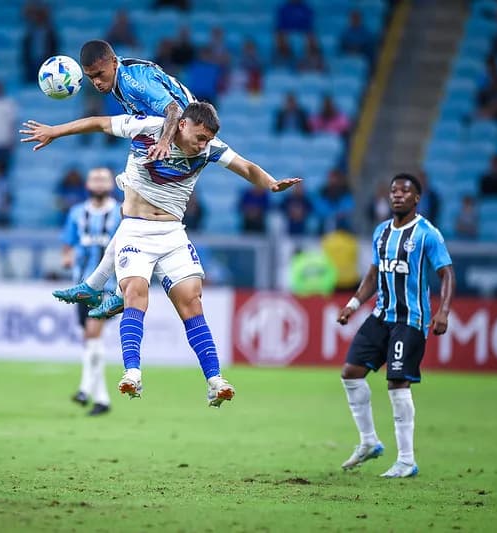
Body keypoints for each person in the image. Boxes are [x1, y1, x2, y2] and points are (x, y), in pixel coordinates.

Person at [20, 102, 300, 406]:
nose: (203, 144)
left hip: (172, 233)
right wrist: (54, 131)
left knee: (192, 301)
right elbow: (100, 123)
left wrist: (271, 183)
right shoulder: (148, 129)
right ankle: (133, 374)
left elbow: (246, 167)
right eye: (200, 137)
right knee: (136, 292)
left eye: (208, 140)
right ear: (182, 125)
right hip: (136, 231)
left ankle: (214, 380)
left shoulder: (209, 150)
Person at [49, 39, 198, 317]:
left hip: (183, 138)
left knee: (131, 212)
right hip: (164, 135)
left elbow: (174, 110)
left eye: (99, 75)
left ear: (113, 62)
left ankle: (102, 288)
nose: (96, 82)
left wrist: (165, 143)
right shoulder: (118, 81)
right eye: (90, 77)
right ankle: (104, 288)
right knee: (129, 213)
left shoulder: (132, 81)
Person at [336, 173, 455, 478]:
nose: (397, 195)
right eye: (393, 191)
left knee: (397, 382)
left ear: (417, 198)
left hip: (410, 320)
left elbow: (447, 273)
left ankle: (406, 460)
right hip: (380, 315)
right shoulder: (381, 232)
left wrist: (443, 311)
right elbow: (374, 275)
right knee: (351, 373)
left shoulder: (427, 233)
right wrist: (352, 305)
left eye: (405, 191)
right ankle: (369, 441)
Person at [60, 168, 122, 416]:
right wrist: (67, 258)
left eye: (103, 179)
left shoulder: (121, 212)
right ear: (87, 183)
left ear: (111, 184)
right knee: (91, 340)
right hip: (82, 286)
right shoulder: (77, 213)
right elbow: (67, 245)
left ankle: (84, 388)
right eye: (94, 179)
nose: (99, 183)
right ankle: (102, 399)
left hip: (110, 286)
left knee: (92, 332)